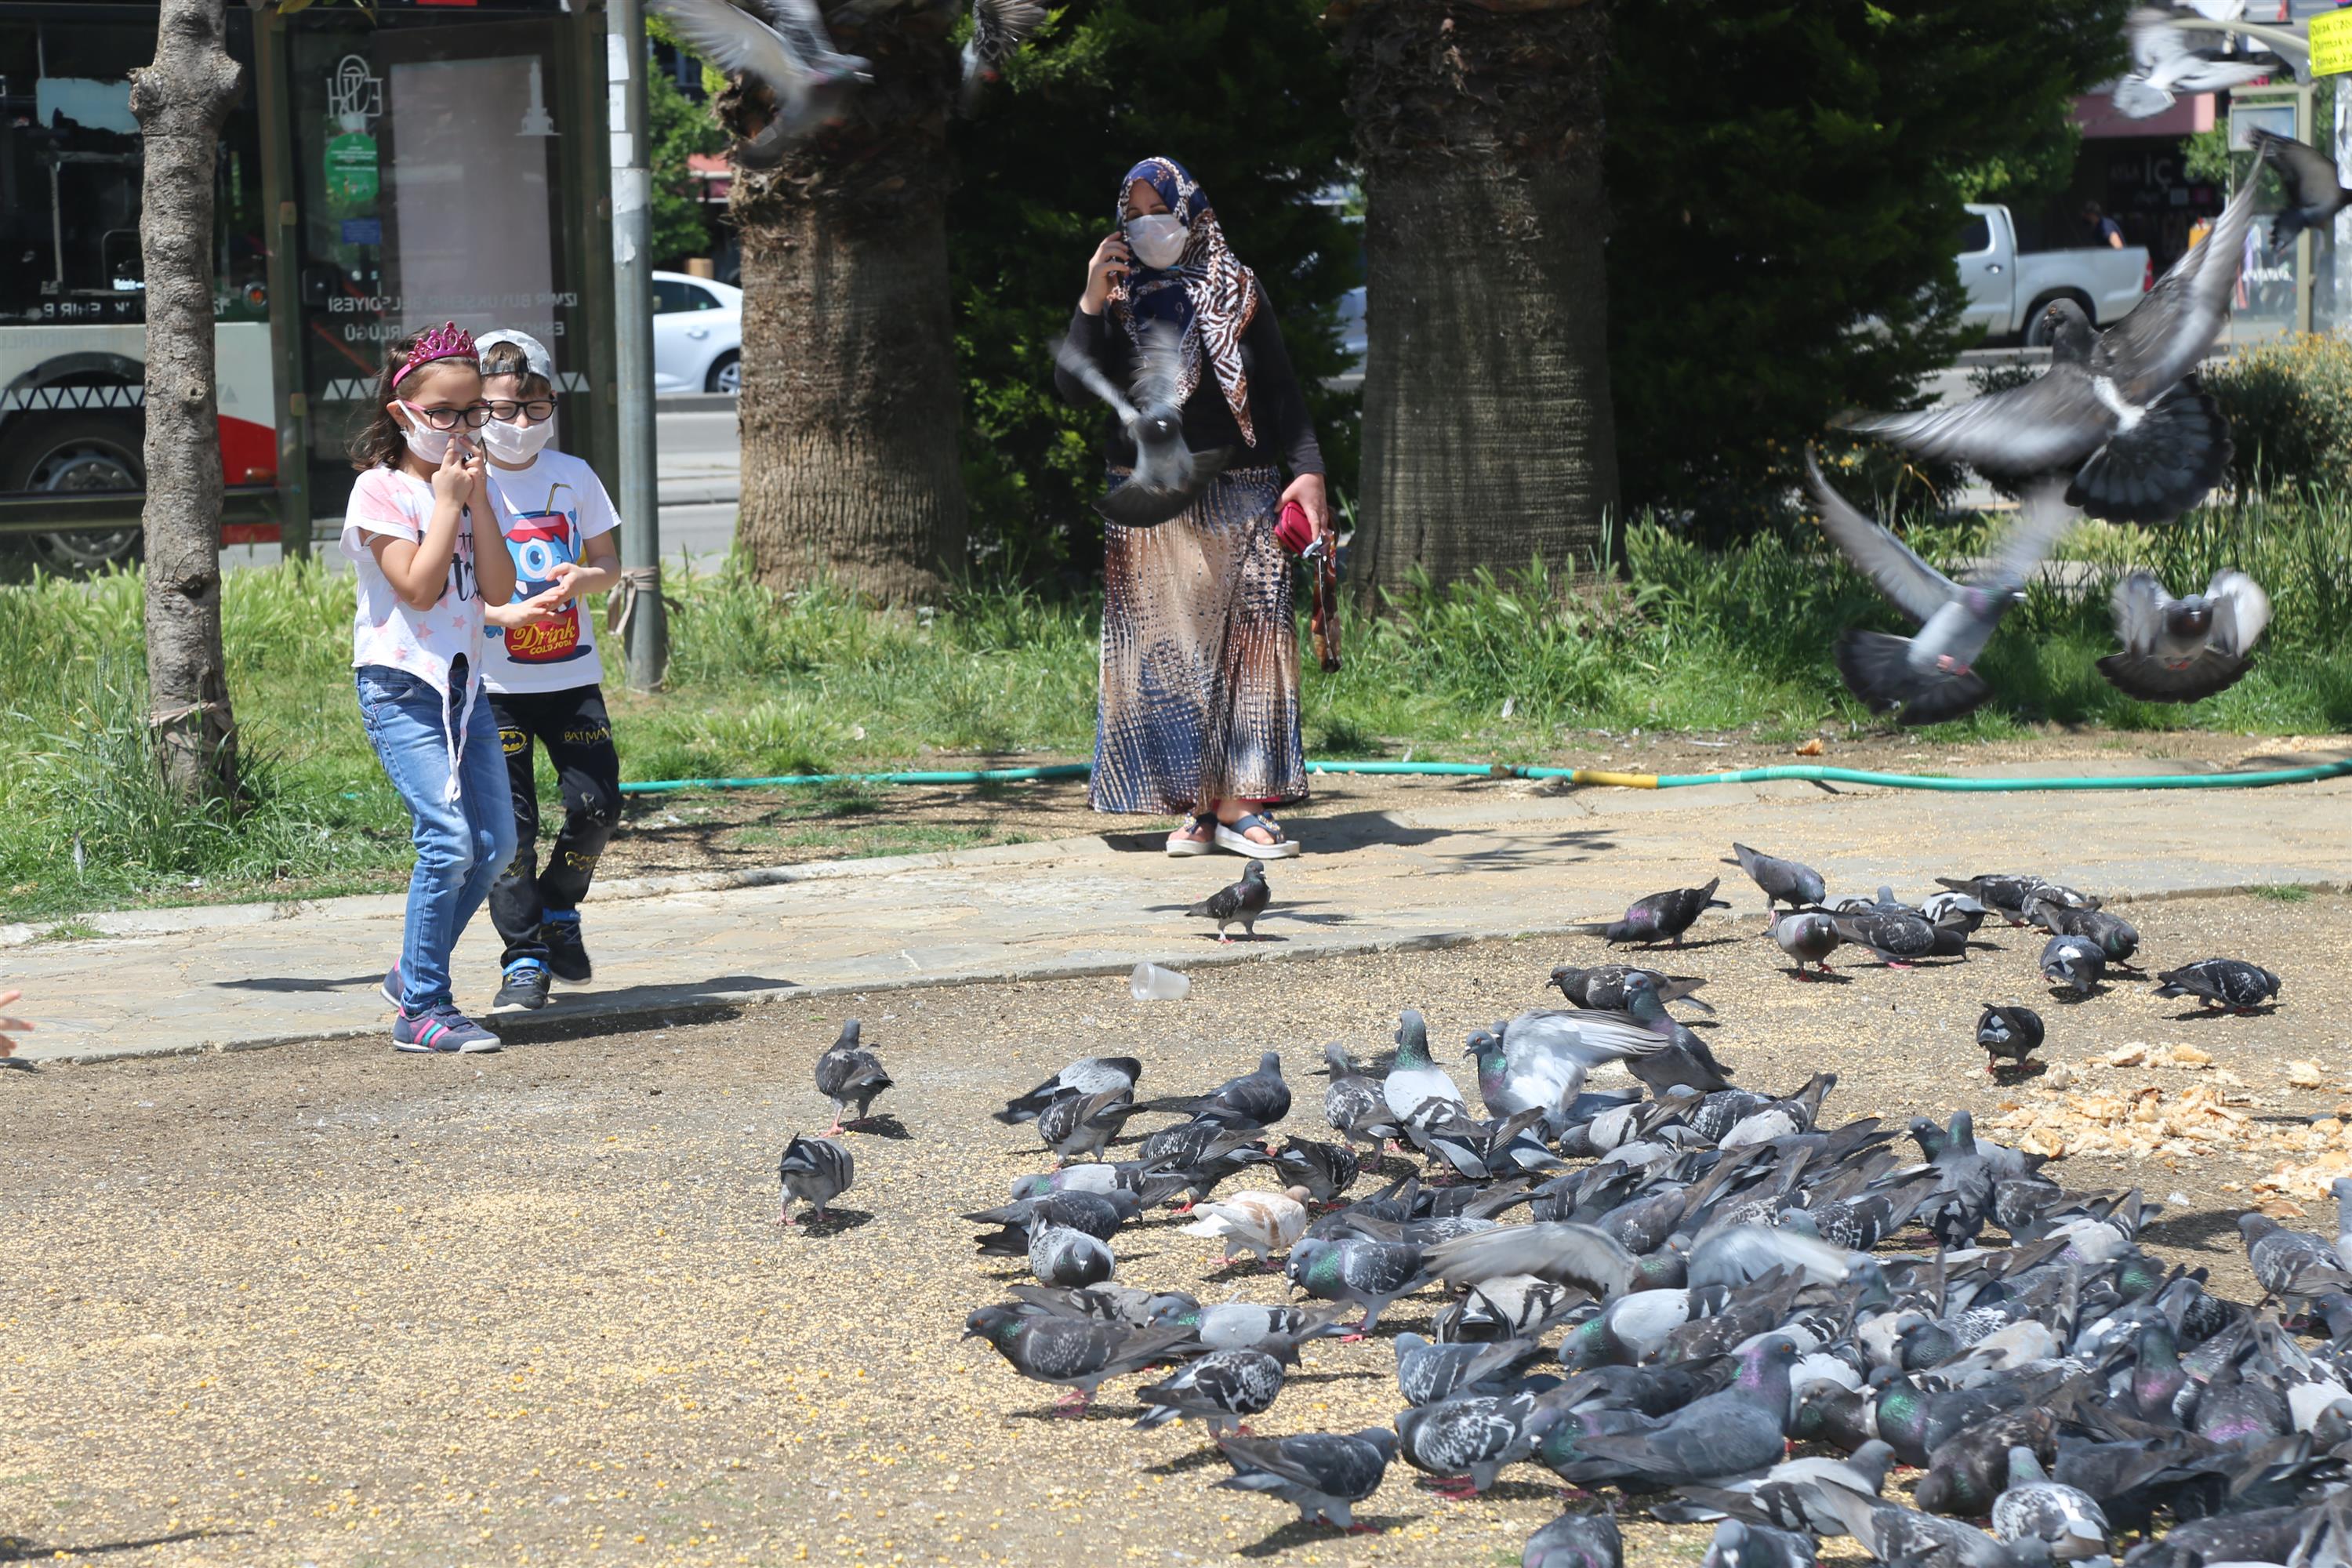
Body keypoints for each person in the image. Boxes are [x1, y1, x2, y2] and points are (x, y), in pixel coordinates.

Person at [1054, 156, 1331, 859]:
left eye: (1162, 210)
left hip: (1243, 492)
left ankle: (1241, 802)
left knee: (1251, 648)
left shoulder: (1238, 287)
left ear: (1193, 213)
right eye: (1136, 213)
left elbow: (1282, 393)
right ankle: (1199, 808)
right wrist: (1091, 294)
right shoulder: (1116, 298)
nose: (1149, 226)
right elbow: (1071, 387)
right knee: (1167, 658)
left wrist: (1310, 475)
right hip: (1149, 501)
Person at [343, 322, 562, 1053]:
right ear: (403, 413)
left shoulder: (475, 489)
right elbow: (418, 586)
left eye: (475, 413)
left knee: (496, 844)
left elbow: (499, 585)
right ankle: (423, 1008)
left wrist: (477, 505)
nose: (462, 427)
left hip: (464, 691)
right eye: (444, 413)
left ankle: (412, 971)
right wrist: (445, 503)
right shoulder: (380, 491)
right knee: (447, 841)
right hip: (401, 687)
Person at [470, 328, 624, 1014]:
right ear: (476, 405)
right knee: (510, 833)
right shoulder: (461, 481)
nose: (521, 424)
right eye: (503, 409)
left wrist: (580, 579)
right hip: (495, 687)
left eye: (536, 408)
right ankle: (524, 956)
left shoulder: (575, 474)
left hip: (571, 679)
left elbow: (609, 566)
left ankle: (562, 906)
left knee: (598, 806)